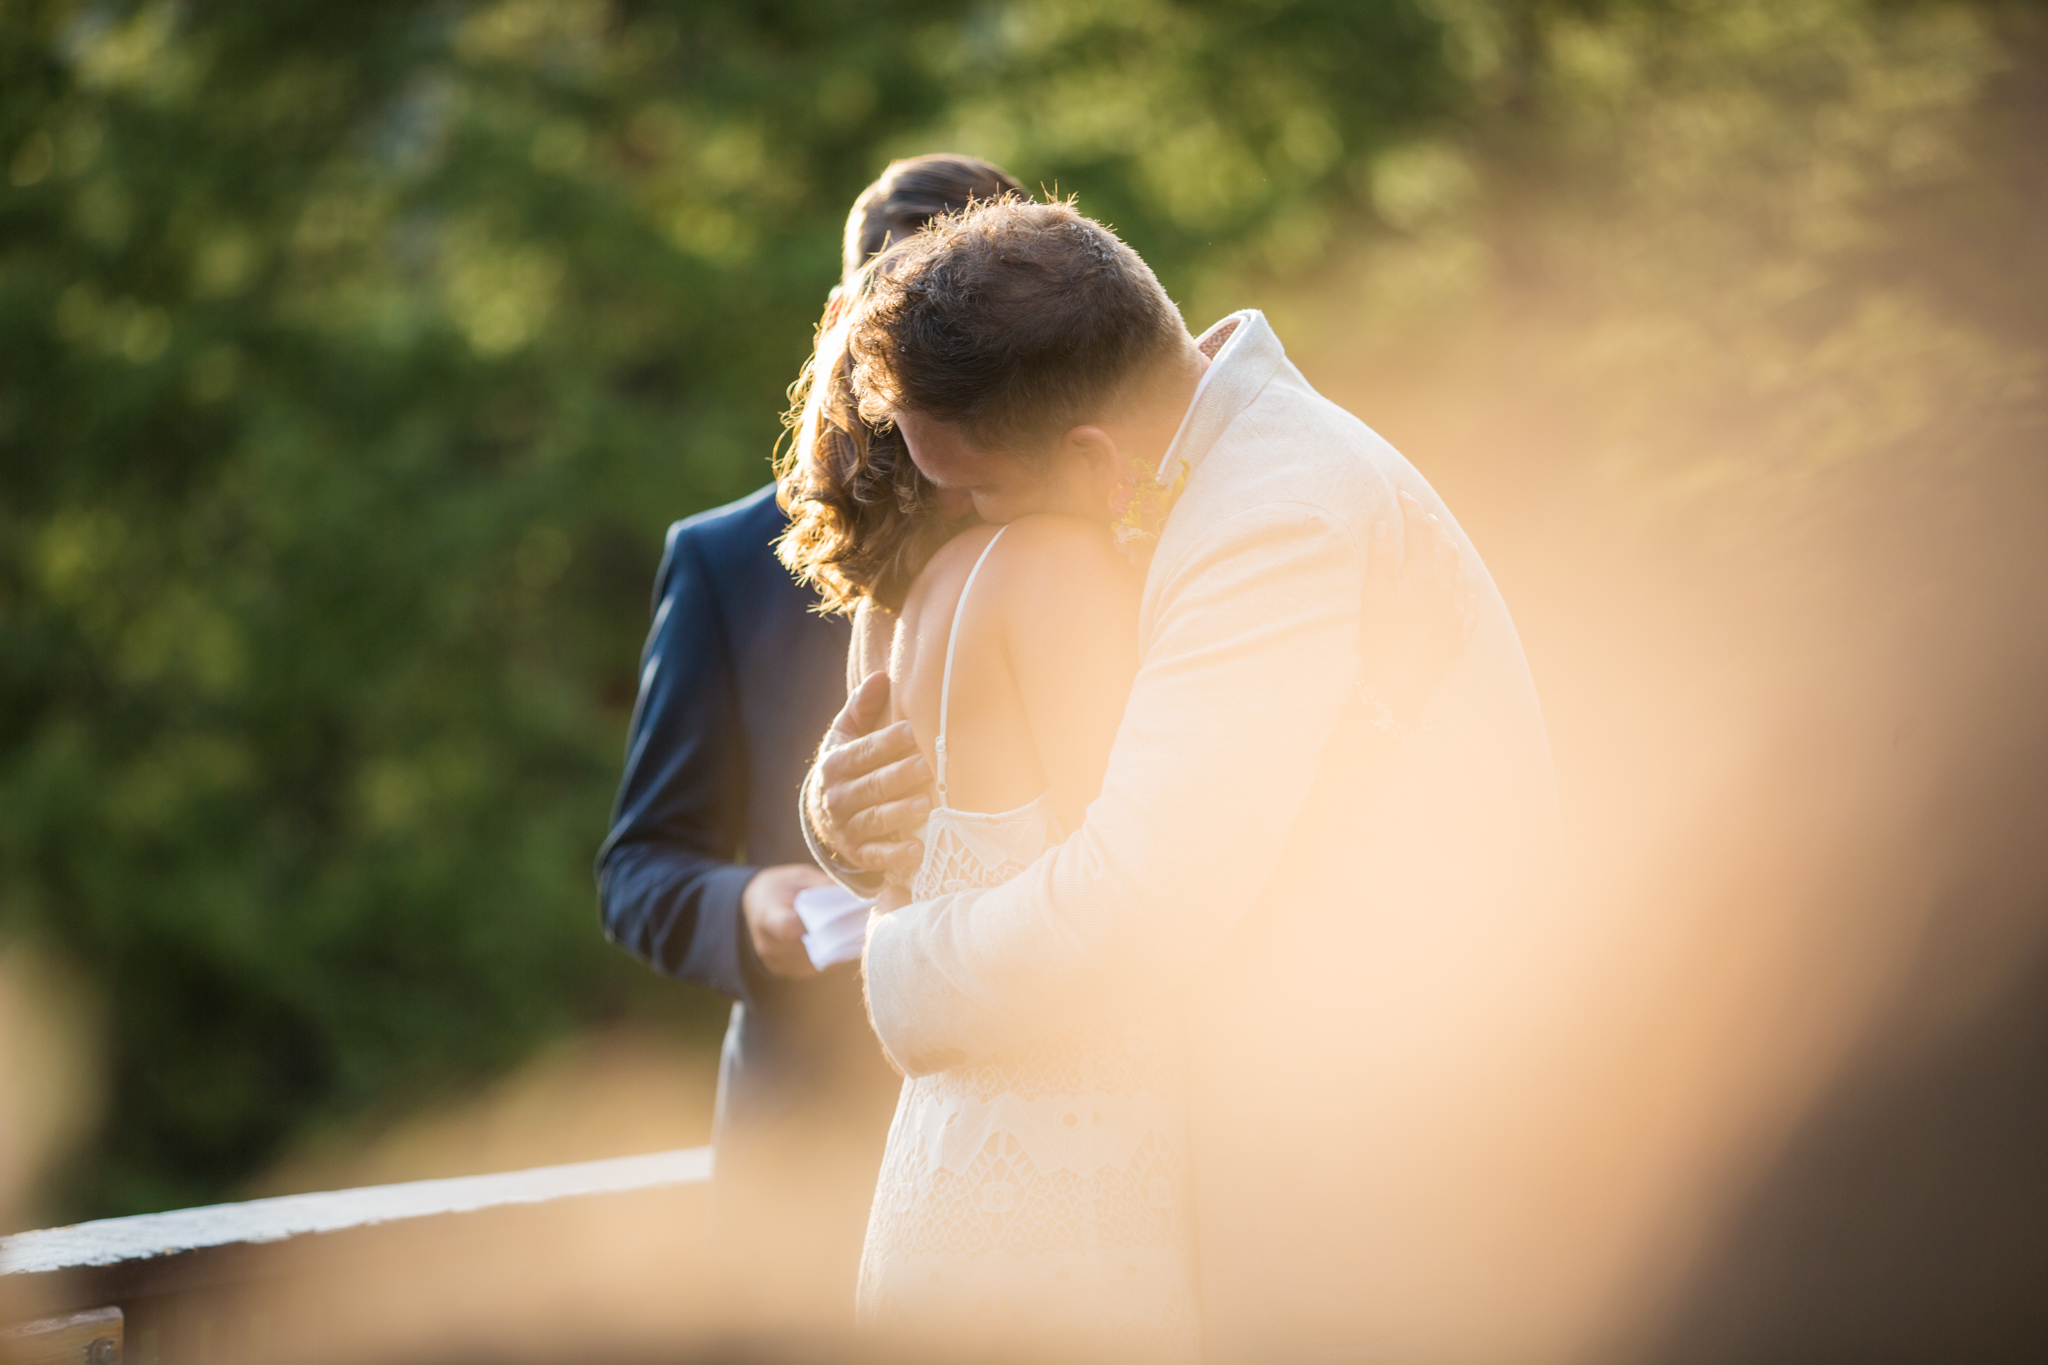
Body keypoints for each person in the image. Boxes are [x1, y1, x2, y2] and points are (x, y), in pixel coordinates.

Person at [802, 198, 1560, 1358]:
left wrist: (902, 969)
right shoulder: (1195, 451)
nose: (974, 534)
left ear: (1087, 457)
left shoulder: (1273, 512)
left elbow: (1135, 901)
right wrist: (848, 814)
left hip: (1371, 1139)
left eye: (985, 495)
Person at [594, 154, 1024, 1326]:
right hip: (801, 1145)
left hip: (1024, 1126)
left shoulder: (1060, 538)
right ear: (847, 326)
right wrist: (749, 908)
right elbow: (638, 867)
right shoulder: (725, 560)